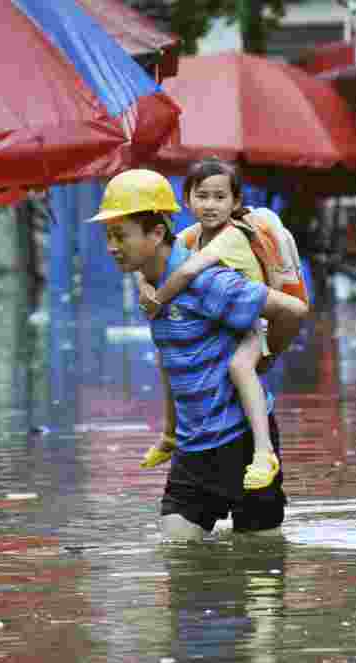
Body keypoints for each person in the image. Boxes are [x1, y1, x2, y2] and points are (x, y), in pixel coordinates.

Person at [87, 169, 308, 541]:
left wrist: (266, 357)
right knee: (177, 554)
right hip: (192, 449)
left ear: (156, 233)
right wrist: (169, 434)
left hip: (242, 445)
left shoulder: (208, 282)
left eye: (120, 235)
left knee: (261, 563)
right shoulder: (154, 288)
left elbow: (293, 310)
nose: (111, 247)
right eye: (108, 236)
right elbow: (168, 366)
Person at [134, 158, 307, 492]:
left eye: (219, 197)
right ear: (188, 200)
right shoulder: (193, 234)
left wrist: (156, 304)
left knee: (240, 367)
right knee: (165, 357)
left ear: (236, 202)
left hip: (255, 321)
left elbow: (184, 272)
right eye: (202, 196)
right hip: (229, 324)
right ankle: (170, 436)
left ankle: (262, 451)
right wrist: (144, 286)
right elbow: (153, 259)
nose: (210, 205)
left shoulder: (231, 236)